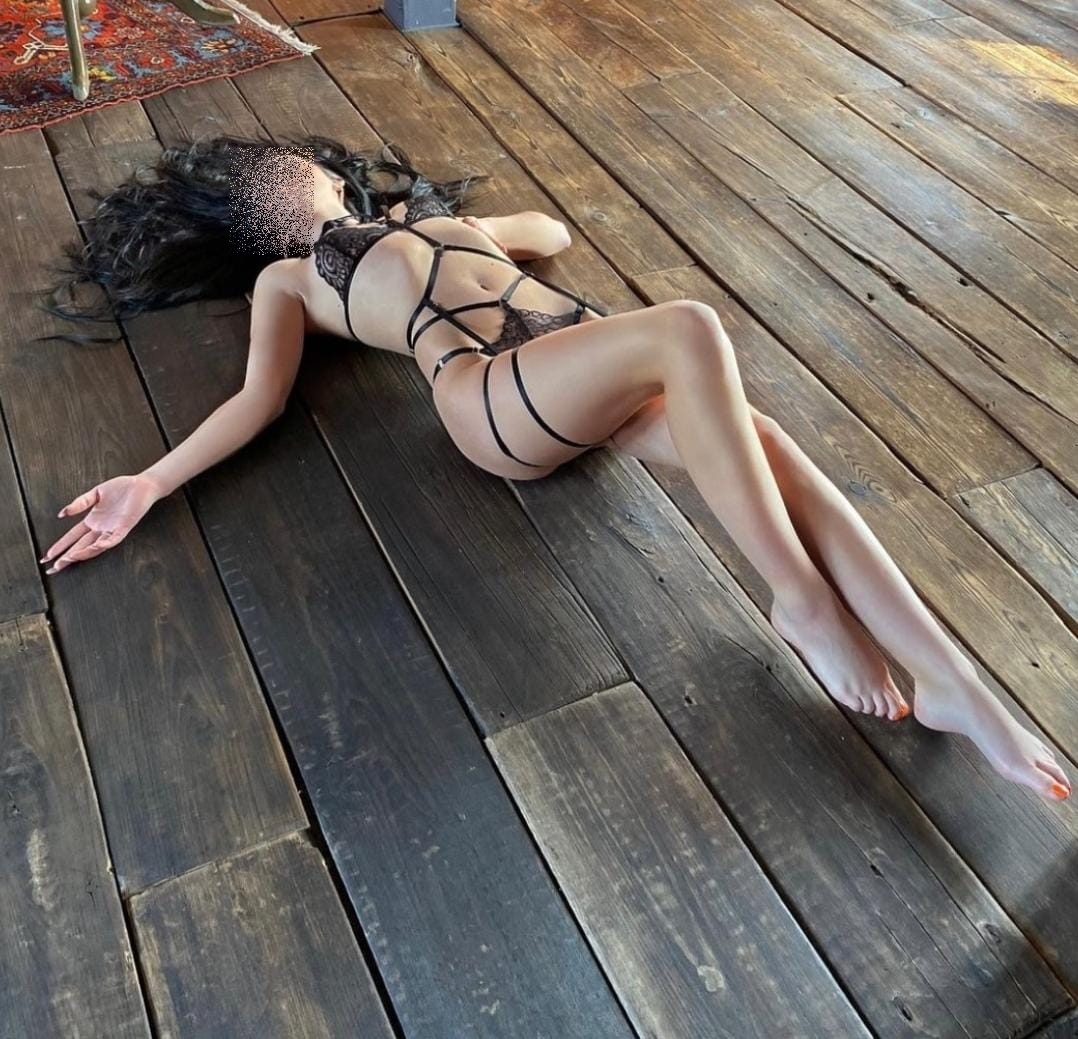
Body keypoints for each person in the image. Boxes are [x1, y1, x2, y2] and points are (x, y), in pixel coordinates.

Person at [33, 132, 1071, 804]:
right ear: (272, 221)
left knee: (769, 446)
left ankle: (955, 684)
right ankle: (800, 599)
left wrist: (443, 226)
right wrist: (150, 482)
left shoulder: (420, 225)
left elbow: (549, 231)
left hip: (570, 367)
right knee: (691, 326)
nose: (296, 187)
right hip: (491, 398)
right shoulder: (290, 282)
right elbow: (255, 402)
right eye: (280, 189)